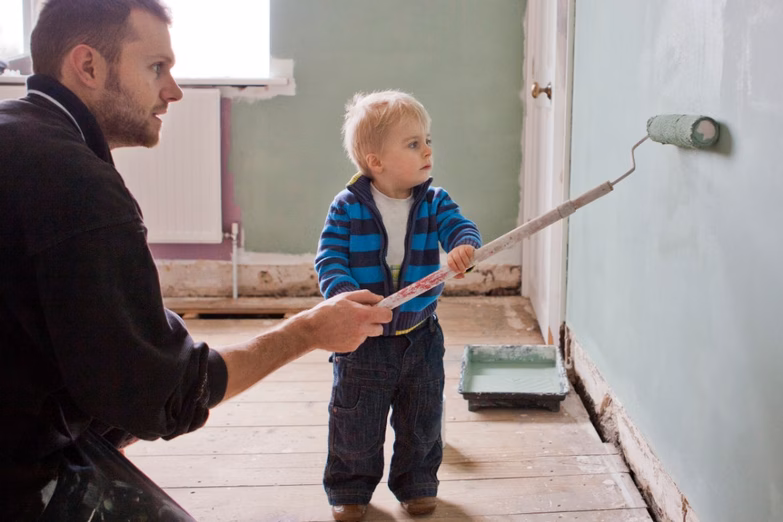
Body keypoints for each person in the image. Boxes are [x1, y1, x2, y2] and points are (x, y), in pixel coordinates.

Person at [0, 1, 392, 519]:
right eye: (156, 67)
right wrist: (308, 332)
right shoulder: (78, 188)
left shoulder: (17, 133)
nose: (174, 90)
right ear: (88, 66)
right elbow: (169, 395)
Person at [314, 90, 481, 521]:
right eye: (412, 144)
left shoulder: (434, 201)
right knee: (355, 420)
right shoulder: (347, 207)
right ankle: (350, 489)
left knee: (422, 418)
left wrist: (463, 246)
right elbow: (329, 259)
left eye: (427, 139)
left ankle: (417, 484)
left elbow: (460, 227)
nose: (427, 150)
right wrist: (346, 295)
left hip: (420, 334)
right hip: (363, 337)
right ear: (376, 161)